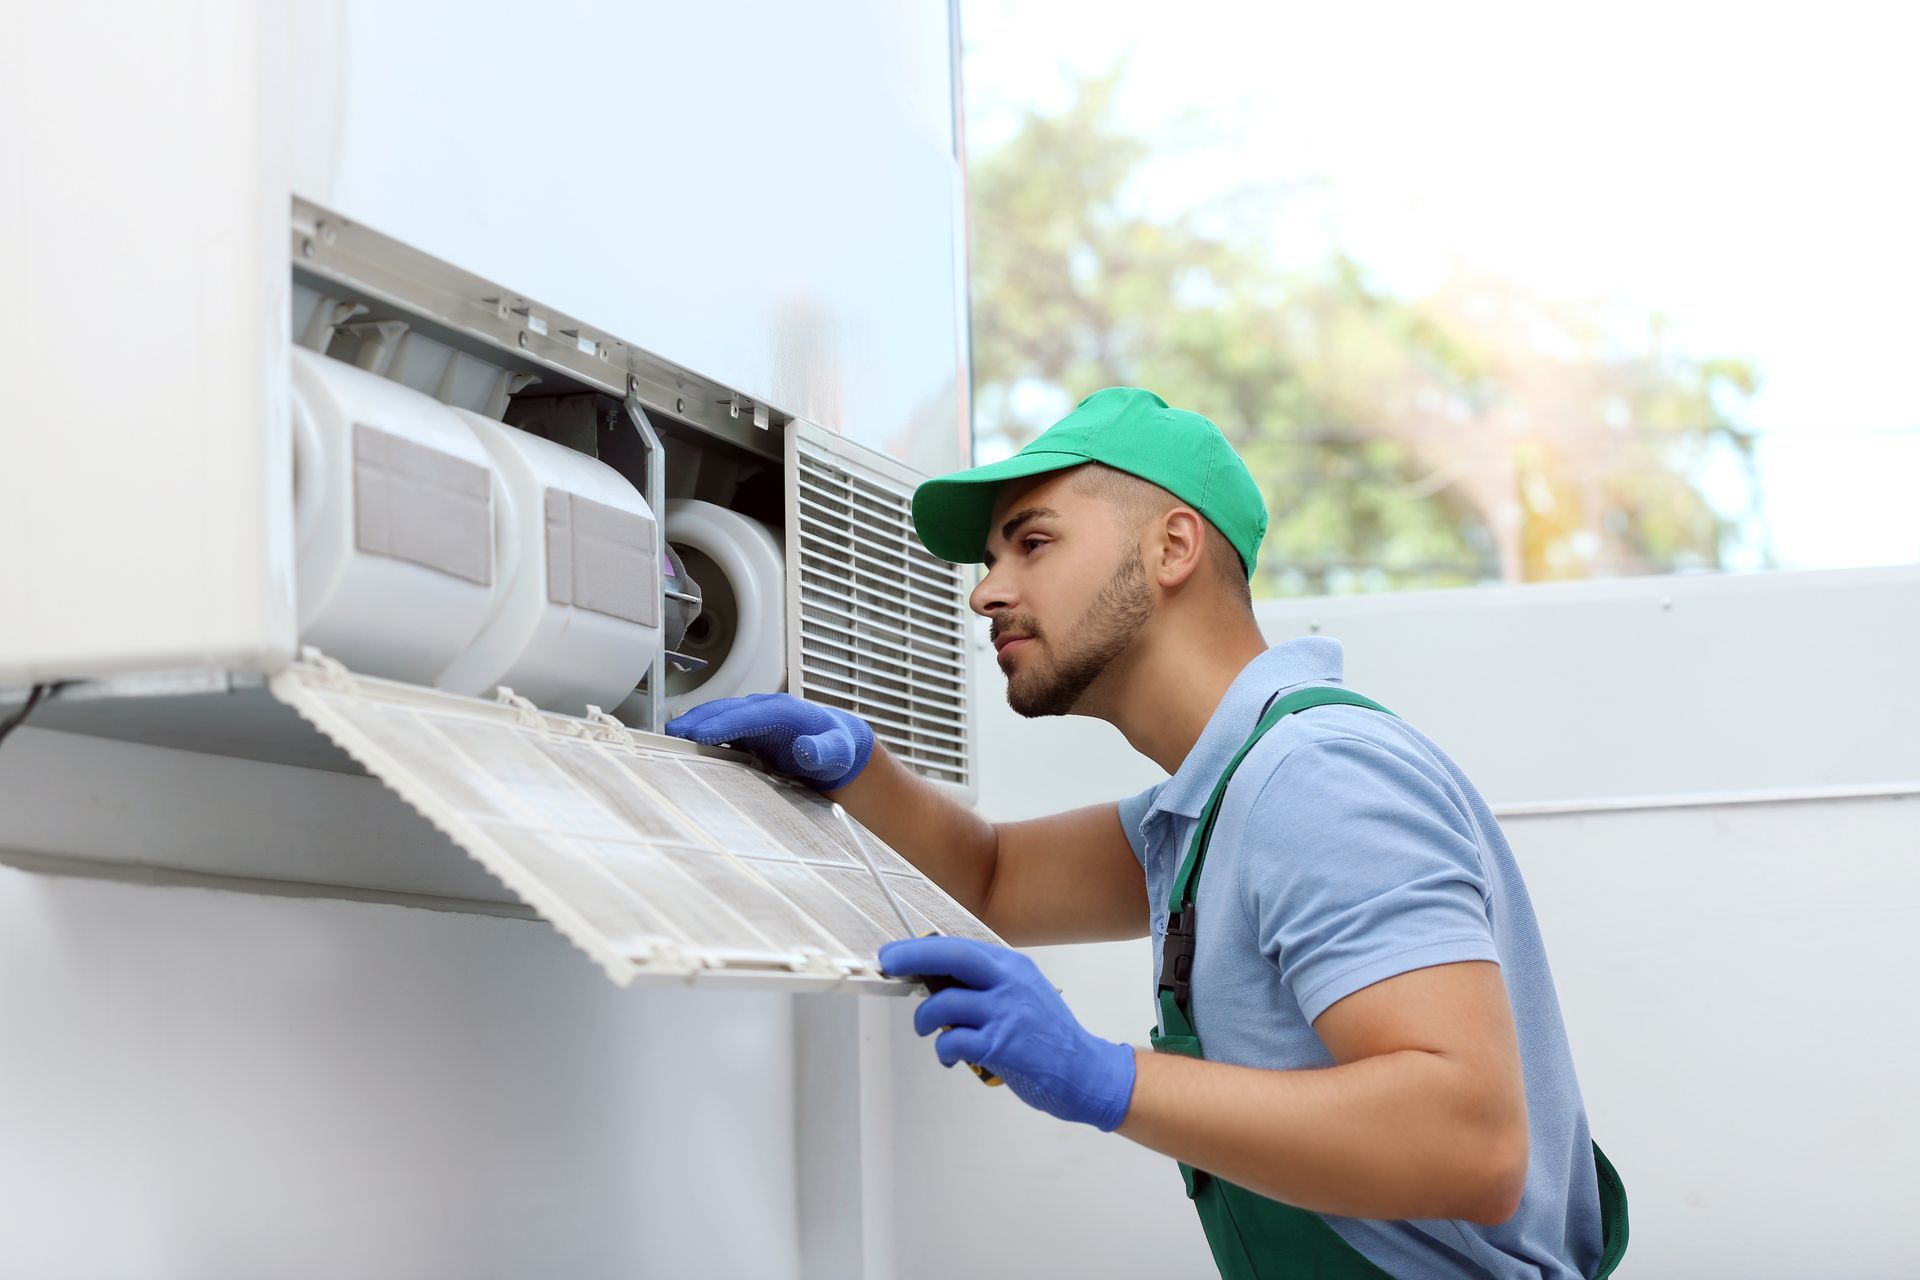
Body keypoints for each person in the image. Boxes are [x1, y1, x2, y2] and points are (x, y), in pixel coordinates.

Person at [667, 388, 1627, 1279]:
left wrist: (1102, 1075)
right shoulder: (1214, 802)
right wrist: (856, 770)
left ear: (1173, 549)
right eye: (991, 561)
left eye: (1030, 544)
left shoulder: (1315, 779)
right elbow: (993, 877)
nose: (984, 593)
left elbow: (1471, 1141)